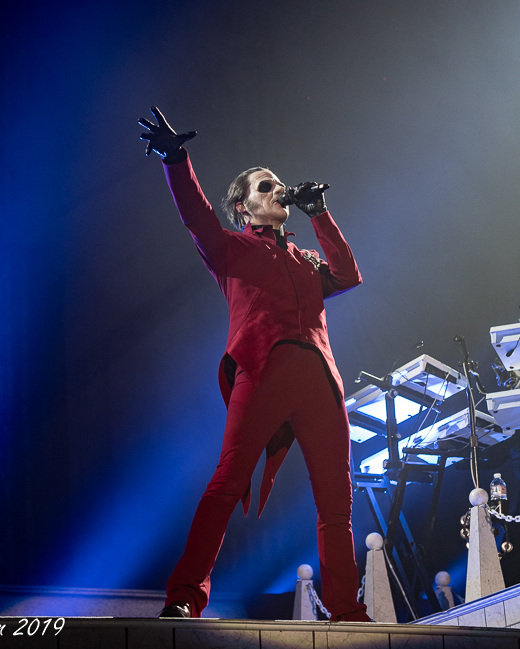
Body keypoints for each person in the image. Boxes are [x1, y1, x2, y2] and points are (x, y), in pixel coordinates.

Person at [138, 107, 370, 621]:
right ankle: (184, 597)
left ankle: (344, 609)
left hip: (320, 381)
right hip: (261, 372)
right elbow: (196, 214)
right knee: (225, 485)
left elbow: (348, 275)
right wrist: (177, 160)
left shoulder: (306, 259)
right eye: (267, 187)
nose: (278, 191)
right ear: (243, 207)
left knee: (337, 502)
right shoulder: (230, 250)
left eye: (280, 185)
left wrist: (319, 213)